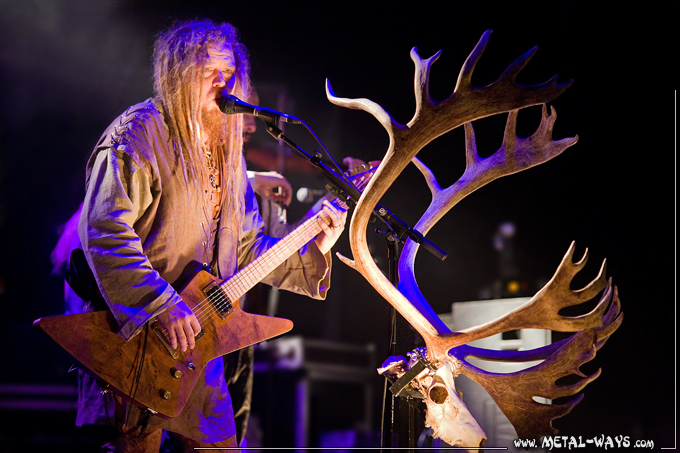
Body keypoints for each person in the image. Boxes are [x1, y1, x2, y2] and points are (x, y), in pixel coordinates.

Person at [73, 18, 346, 452]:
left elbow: (248, 247)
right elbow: (105, 232)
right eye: (209, 73)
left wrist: (316, 245)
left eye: (229, 72)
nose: (224, 84)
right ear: (178, 77)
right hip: (141, 342)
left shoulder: (228, 150)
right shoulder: (137, 136)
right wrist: (159, 302)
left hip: (202, 353)